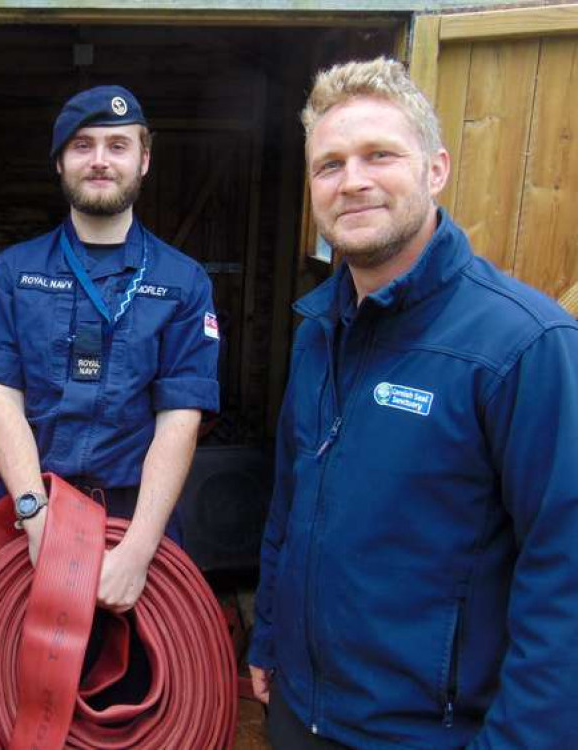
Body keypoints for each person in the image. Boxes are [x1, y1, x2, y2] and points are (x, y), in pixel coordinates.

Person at [248, 58, 578, 749]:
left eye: (379, 155)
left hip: (431, 735)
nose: (353, 181)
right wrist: (268, 639)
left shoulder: (524, 345)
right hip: (300, 716)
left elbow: (564, 577)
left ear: (435, 169)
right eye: (328, 165)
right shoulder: (317, 332)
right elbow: (291, 503)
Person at [0, 84, 220, 615]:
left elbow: (181, 419)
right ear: (60, 161)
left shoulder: (184, 282)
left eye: (118, 145)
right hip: (31, 496)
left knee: (147, 673)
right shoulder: (15, 271)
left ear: (144, 159)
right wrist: (33, 516)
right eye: (83, 146)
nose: (100, 161)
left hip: (134, 510)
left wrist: (138, 550)